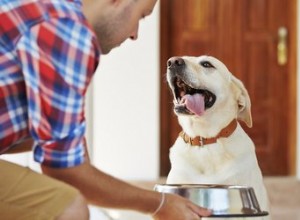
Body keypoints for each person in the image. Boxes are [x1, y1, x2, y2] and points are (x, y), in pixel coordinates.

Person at [0, 0, 212, 219]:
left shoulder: (44, 9)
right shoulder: (67, 29)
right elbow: (65, 172)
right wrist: (158, 204)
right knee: (68, 207)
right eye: (141, 16)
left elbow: (59, 145)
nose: (135, 34)